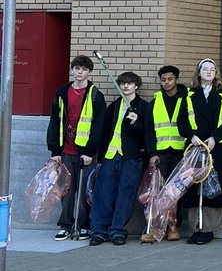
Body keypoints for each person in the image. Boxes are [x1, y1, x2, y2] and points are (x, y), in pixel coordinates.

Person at [89, 74, 154, 246]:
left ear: (136, 86)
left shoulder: (143, 107)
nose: (125, 86)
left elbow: (147, 133)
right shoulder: (115, 106)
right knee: (103, 193)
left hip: (131, 157)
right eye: (123, 83)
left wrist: (136, 123)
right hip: (110, 155)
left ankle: (117, 230)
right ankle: (99, 231)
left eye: (129, 83)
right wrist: (99, 155)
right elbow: (103, 133)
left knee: (126, 194)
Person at [47, 55, 106, 240]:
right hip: (66, 150)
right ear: (72, 70)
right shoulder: (62, 93)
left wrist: (89, 152)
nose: (79, 72)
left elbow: (99, 126)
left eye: (84, 69)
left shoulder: (95, 95)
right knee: (66, 190)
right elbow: (55, 122)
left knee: (84, 190)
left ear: (89, 72)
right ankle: (65, 224)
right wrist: (55, 150)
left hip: (85, 152)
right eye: (76, 68)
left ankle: (82, 225)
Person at [179, 58, 222, 244]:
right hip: (194, 147)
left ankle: (209, 229)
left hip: (215, 147)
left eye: (212, 69)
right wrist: (191, 136)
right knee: (194, 185)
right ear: (199, 72)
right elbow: (182, 122)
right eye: (205, 69)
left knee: (213, 186)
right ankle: (196, 227)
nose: (209, 72)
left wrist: (215, 138)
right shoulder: (187, 94)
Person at [144, 65, 189, 241]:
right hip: (161, 154)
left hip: (180, 153)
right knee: (158, 192)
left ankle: (173, 227)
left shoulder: (186, 99)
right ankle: (155, 227)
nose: (167, 83)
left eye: (170, 79)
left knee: (176, 192)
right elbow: (149, 130)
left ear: (176, 79)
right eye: (163, 80)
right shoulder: (155, 102)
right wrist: (152, 153)